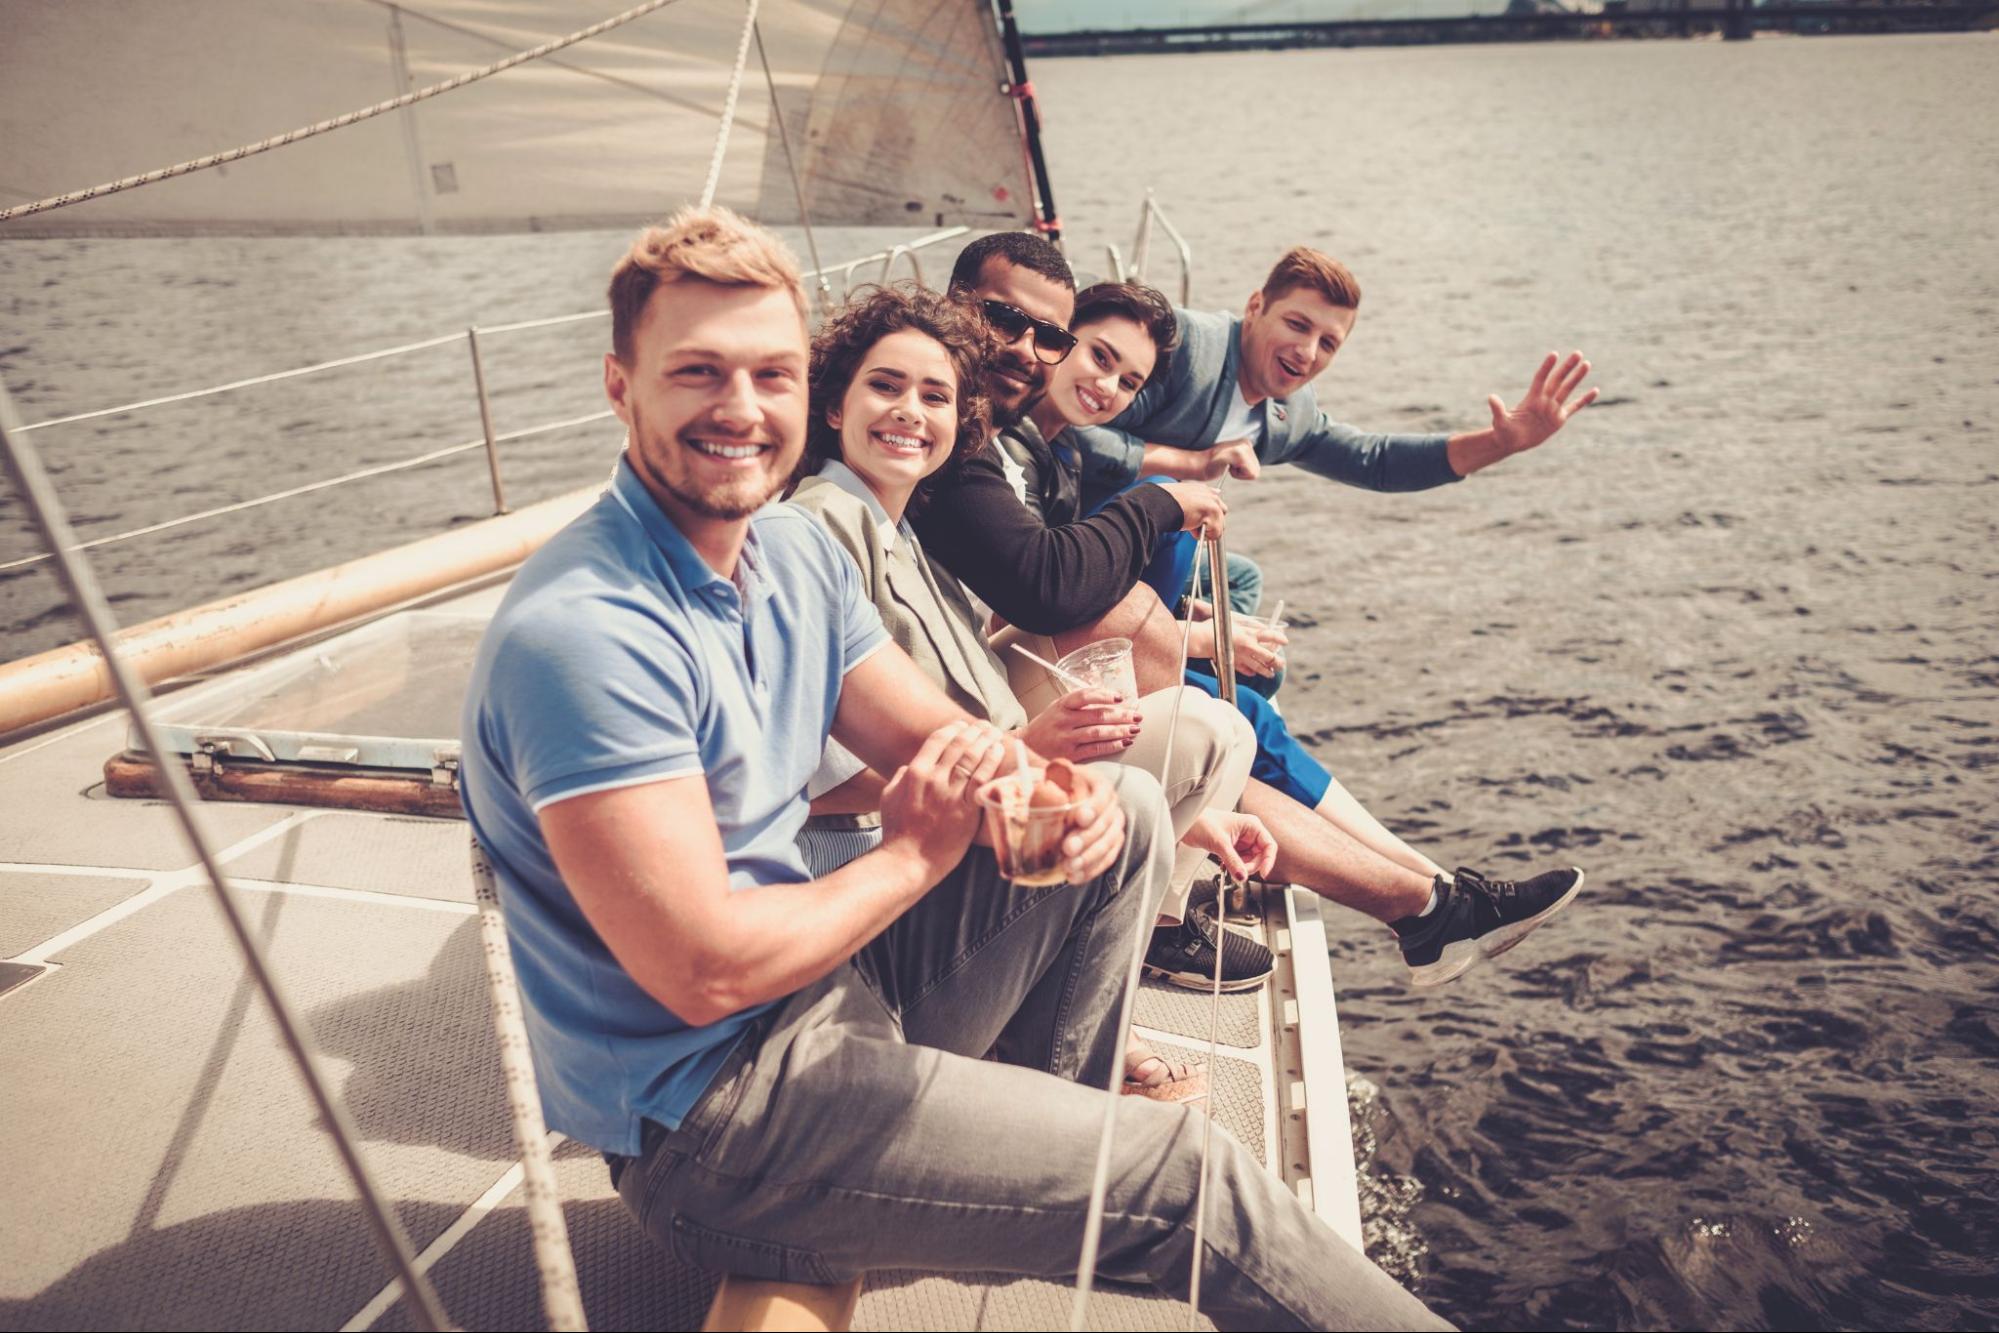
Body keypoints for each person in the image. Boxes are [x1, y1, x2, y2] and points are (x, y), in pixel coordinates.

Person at [457, 207, 1449, 1330]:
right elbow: (706, 973)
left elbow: (939, 735)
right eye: (698, 372)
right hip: (712, 1126)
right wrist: (920, 852)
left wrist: (1054, 803)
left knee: (1121, 811)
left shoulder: (785, 554)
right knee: (1187, 1181)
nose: (742, 409)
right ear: (619, 384)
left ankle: (1029, 1146)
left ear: (803, 392)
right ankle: (1066, 1166)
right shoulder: (587, 634)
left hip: (829, 1006)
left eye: (771, 374)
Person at [918, 236, 1586, 989]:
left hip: (1093, 597)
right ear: (1254, 307)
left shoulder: (1278, 415)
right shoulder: (1176, 353)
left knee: (1235, 680)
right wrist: (1179, 475)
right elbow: (1068, 416)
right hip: (1086, 601)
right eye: (1297, 325)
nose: (1307, 350)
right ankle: (1415, 898)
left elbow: (1373, 459)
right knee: (1219, 718)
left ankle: (1430, 898)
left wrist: (1500, 442)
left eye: (1329, 341)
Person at [783, 281, 1274, 1097]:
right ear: (832, 406)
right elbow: (809, 781)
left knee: (1132, 805)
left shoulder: (894, 530)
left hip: (936, 856)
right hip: (869, 908)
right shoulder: (820, 529)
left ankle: (1066, 1073)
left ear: (959, 425)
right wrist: (1023, 758)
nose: (910, 411)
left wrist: (1188, 824)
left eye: (935, 396)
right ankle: (1067, 1096)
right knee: (1127, 802)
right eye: (885, 386)